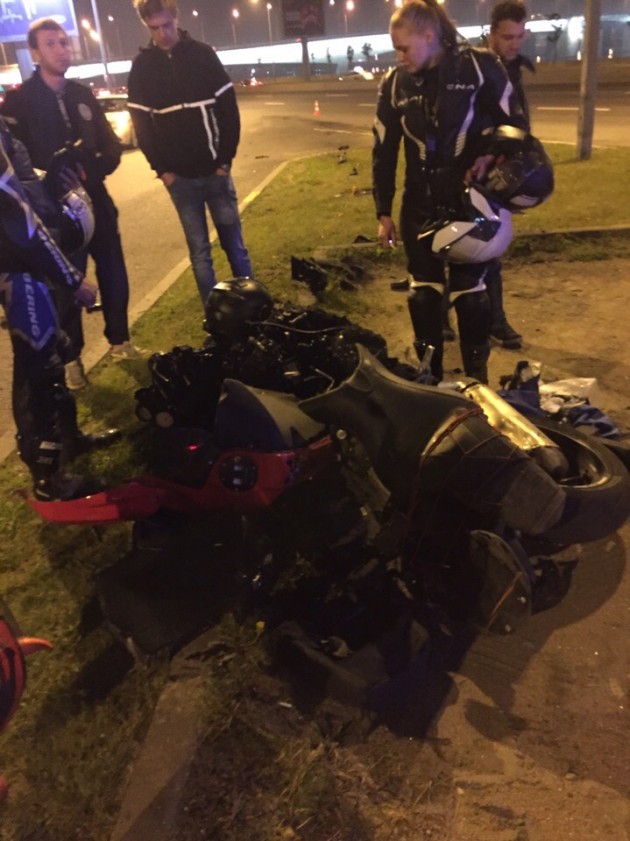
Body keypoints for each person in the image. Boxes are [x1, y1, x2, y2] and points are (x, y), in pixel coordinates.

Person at [373, 0, 527, 383]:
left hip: (470, 202)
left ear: (429, 36)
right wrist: (383, 211)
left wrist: (491, 156)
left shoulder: (479, 66)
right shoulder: (394, 83)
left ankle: (477, 378)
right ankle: (430, 379)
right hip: (419, 205)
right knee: (423, 294)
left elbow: (516, 127)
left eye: (404, 48)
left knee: (470, 293)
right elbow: (384, 150)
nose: (399, 56)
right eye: (396, 49)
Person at [1, 18, 140, 392]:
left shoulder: (82, 94)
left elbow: (111, 147)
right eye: (51, 44)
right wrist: (51, 182)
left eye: (64, 42)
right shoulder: (19, 102)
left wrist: (89, 170)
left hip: (97, 202)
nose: (61, 49)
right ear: (35, 52)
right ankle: (72, 359)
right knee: (66, 287)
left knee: (113, 272)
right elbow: (16, 167)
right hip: (55, 214)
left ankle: (120, 340)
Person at [0, 117, 119, 500]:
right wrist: (71, 278)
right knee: (39, 368)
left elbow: (24, 194)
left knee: (55, 349)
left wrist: (52, 183)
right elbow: (19, 221)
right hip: (17, 267)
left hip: (25, 263)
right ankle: (48, 479)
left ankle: (70, 441)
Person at [128, 0, 252, 308]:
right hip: (180, 181)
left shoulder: (203, 55)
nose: (162, 34)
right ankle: (214, 317)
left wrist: (225, 161)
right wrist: (163, 171)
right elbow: (142, 126)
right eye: (154, 28)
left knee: (235, 246)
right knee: (199, 253)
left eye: (167, 25)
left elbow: (229, 112)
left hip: (215, 173)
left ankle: (251, 307)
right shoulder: (142, 67)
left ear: (176, 17)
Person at [485, 0, 534, 349]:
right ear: (492, 35)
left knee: (491, 248)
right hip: (479, 167)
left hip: (502, 170)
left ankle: (493, 320)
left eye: (519, 36)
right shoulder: (478, 69)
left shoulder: (513, 68)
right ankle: (492, 321)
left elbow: (518, 121)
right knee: (479, 248)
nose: (514, 43)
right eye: (507, 37)